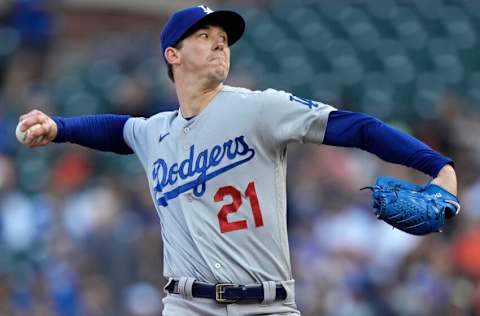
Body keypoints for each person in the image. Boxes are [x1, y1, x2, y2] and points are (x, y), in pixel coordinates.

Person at [17, 5, 458, 316]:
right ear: (172, 55)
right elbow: (117, 130)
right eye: (204, 36)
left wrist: (437, 165)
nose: (219, 44)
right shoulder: (156, 131)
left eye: (223, 39)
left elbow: (356, 126)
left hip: (268, 305)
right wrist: (59, 127)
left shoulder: (258, 108)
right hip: (186, 305)